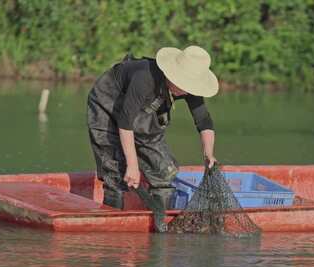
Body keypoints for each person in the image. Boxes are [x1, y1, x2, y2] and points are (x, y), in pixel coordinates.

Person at [86, 45, 219, 232]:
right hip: (107, 102)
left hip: (142, 112)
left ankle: (159, 226)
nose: (187, 91)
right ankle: (112, 229)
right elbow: (125, 121)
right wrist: (132, 165)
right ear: (172, 74)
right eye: (184, 84)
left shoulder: (189, 89)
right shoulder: (144, 78)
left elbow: (204, 121)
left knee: (165, 173)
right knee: (115, 173)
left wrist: (208, 154)